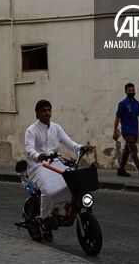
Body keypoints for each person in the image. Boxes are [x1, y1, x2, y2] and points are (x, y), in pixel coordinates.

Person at [25, 99, 94, 242]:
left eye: (49, 110)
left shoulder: (56, 128)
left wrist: (81, 148)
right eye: (44, 111)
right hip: (39, 166)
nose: (47, 113)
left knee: (75, 183)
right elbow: (29, 149)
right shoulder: (31, 130)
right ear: (37, 113)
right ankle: (45, 221)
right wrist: (38, 155)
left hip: (57, 163)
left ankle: (63, 209)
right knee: (48, 191)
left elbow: (69, 143)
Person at [113, 82, 139, 179]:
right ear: (125, 92)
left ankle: (121, 169)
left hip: (134, 130)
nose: (131, 92)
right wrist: (115, 131)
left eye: (133, 90)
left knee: (127, 150)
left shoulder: (136, 103)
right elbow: (117, 118)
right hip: (127, 131)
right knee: (133, 150)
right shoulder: (123, 104)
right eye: (129, 90)